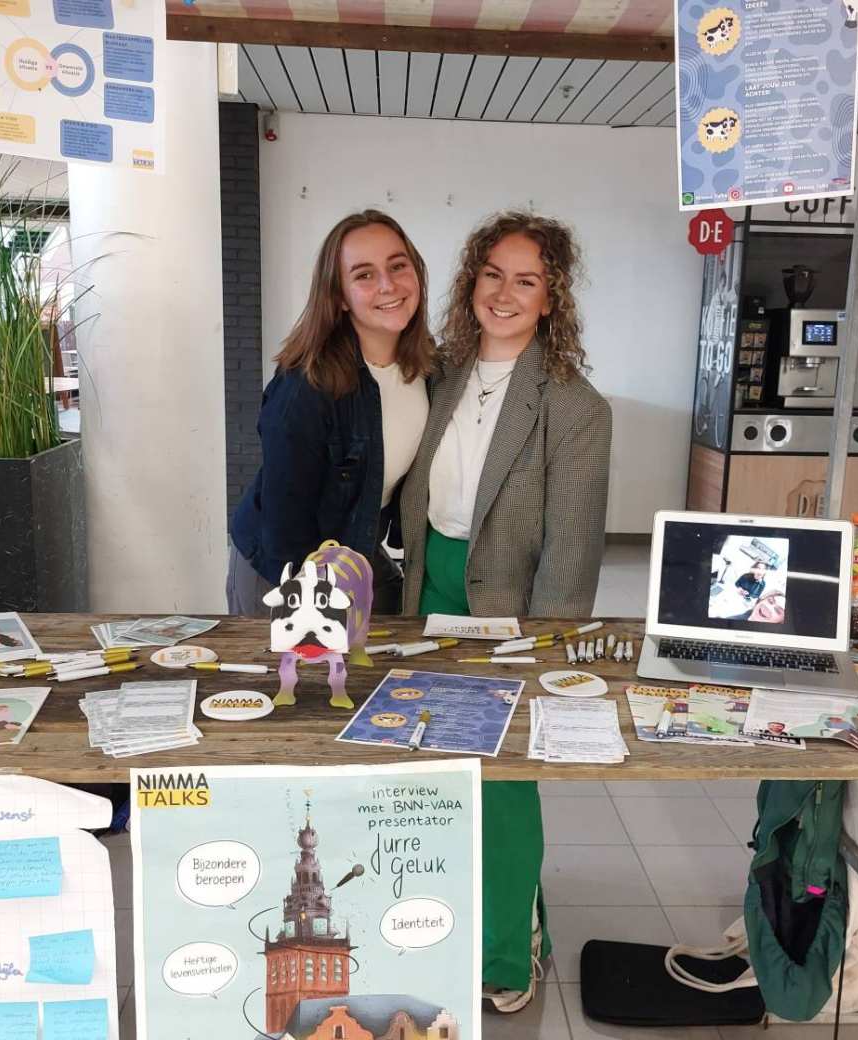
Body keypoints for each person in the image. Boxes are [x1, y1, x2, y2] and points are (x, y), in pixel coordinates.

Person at [400, 211, 612, 1012]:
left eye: (528, 280)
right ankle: (500, 915)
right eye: (493, 273)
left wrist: (545, 650)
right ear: (471, 281)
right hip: (428, 589)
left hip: (512, 607)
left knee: (504, 779)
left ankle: (507, 955)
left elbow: (572, 549)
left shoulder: (576, 406)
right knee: (441, 772)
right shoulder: (440, 371)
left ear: (552, 298)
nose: (506, 292)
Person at [228, 211, 433, 615]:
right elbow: (285, 527)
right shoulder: (305, 387)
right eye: (364, 275)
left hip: (354, 548)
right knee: (299, 676)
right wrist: (311, 612)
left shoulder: (426, 369)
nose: (388, 285)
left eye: (397, 266)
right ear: (339, 296)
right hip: (283, 571)